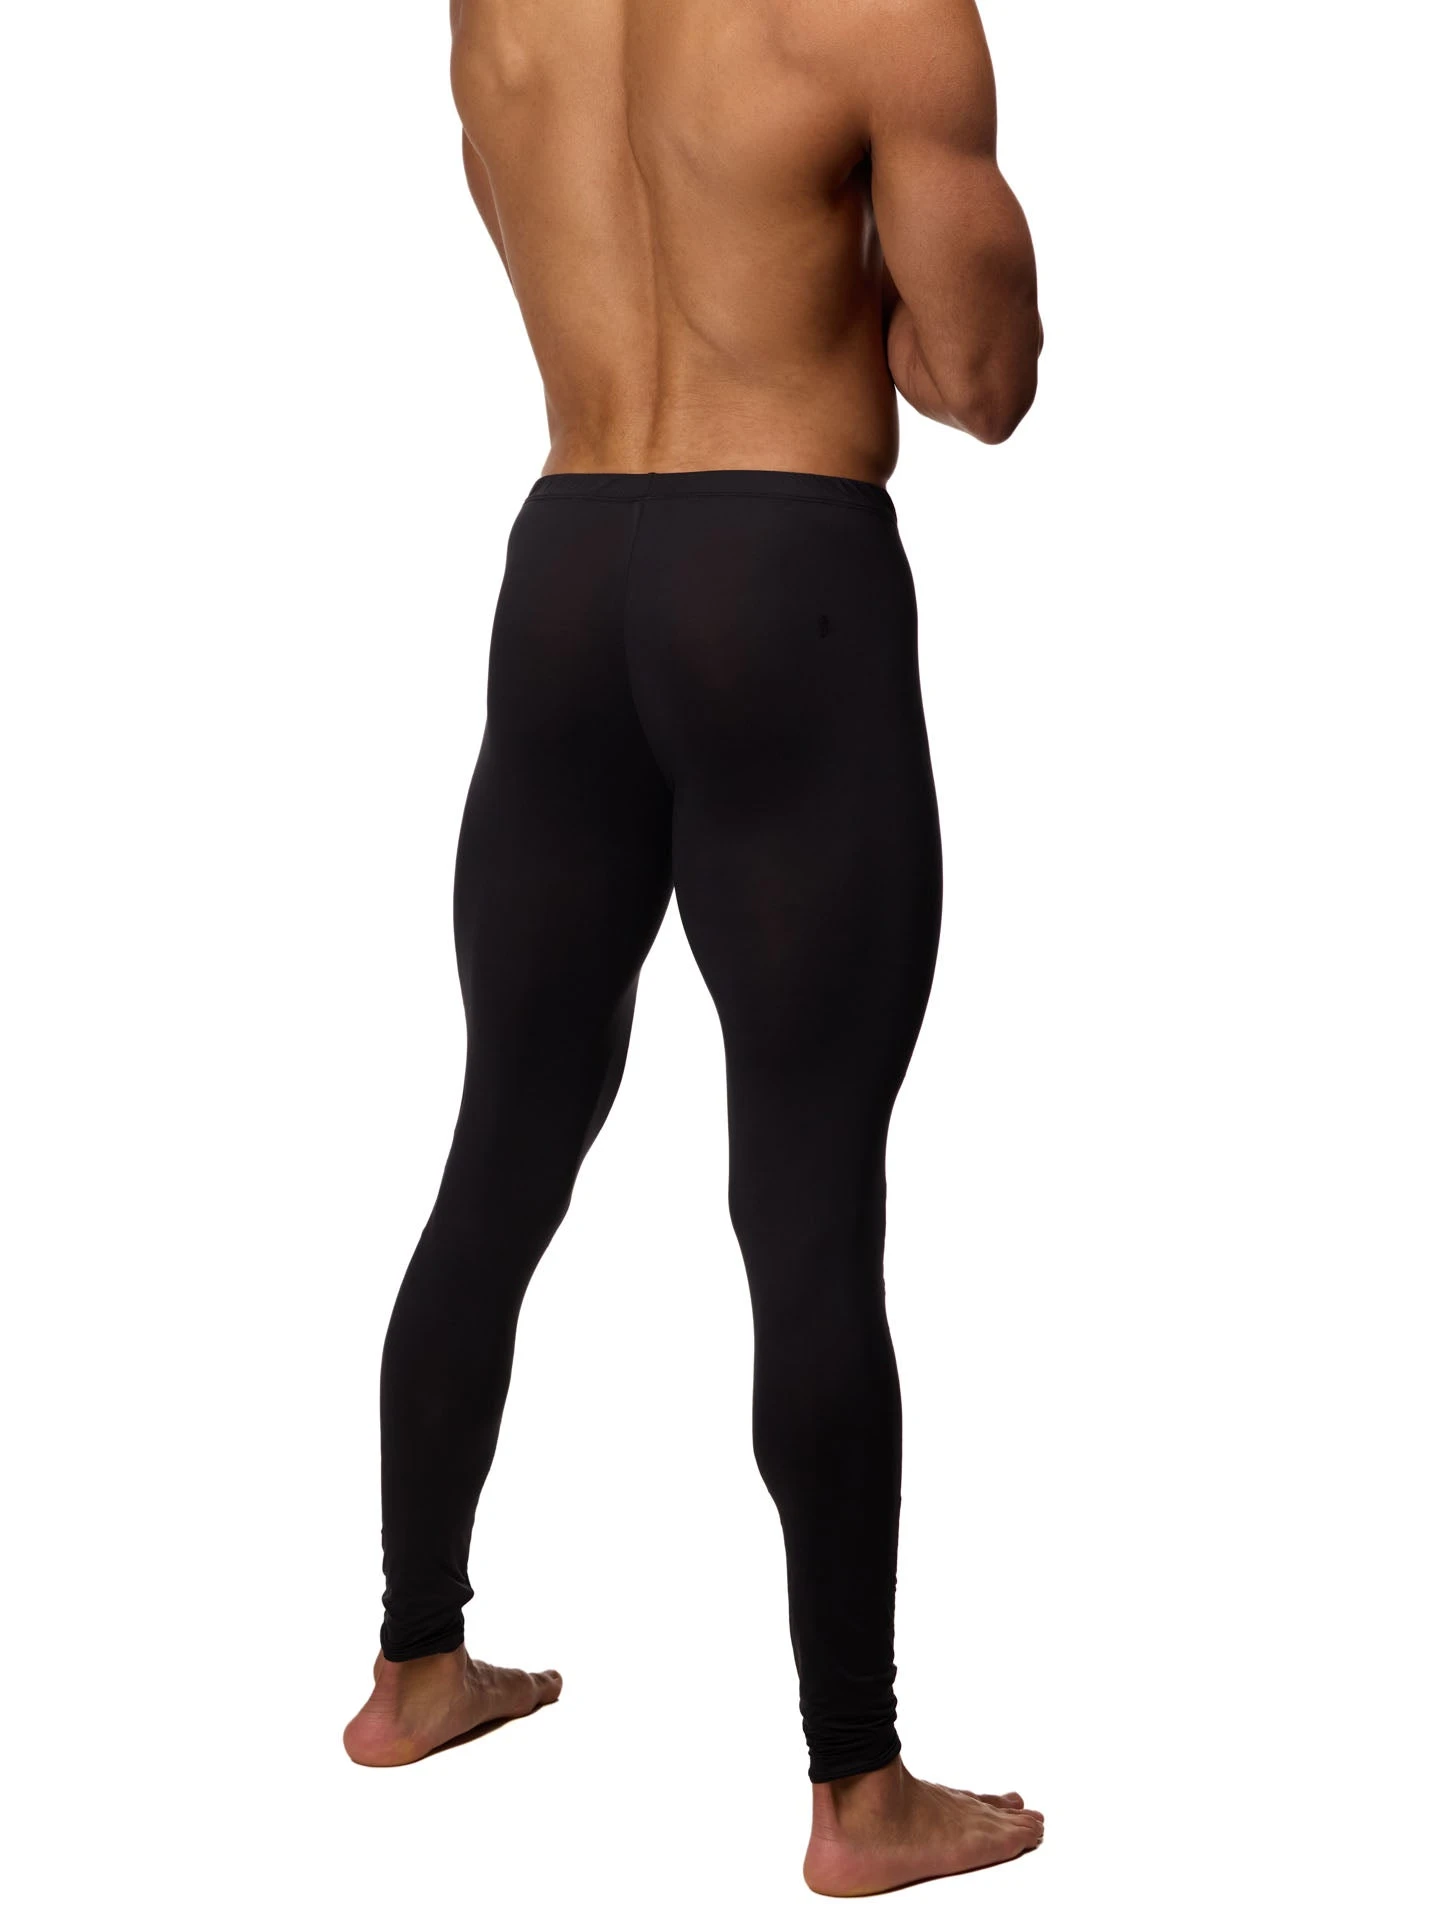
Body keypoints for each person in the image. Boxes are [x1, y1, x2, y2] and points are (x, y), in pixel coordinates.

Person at [344, 0, 1043, 1895]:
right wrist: (852, 294)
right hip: (784, 574)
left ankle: (415, 1666)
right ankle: (860, 1792)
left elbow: (554, 236)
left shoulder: (497, 15)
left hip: (567, 571)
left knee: (501, 1150)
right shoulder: (881, 14)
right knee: (807, 1204)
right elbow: (981, 383)